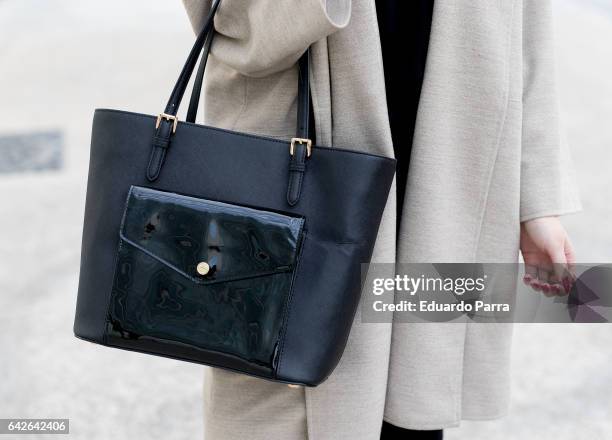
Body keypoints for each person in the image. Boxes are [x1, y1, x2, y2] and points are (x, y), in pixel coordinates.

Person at [181, 0, 581, 439]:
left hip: (444, 163)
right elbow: (228, 24)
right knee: (282, 396)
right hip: (297, 159)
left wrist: (536, 199)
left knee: (412, 398)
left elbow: (527, 27)